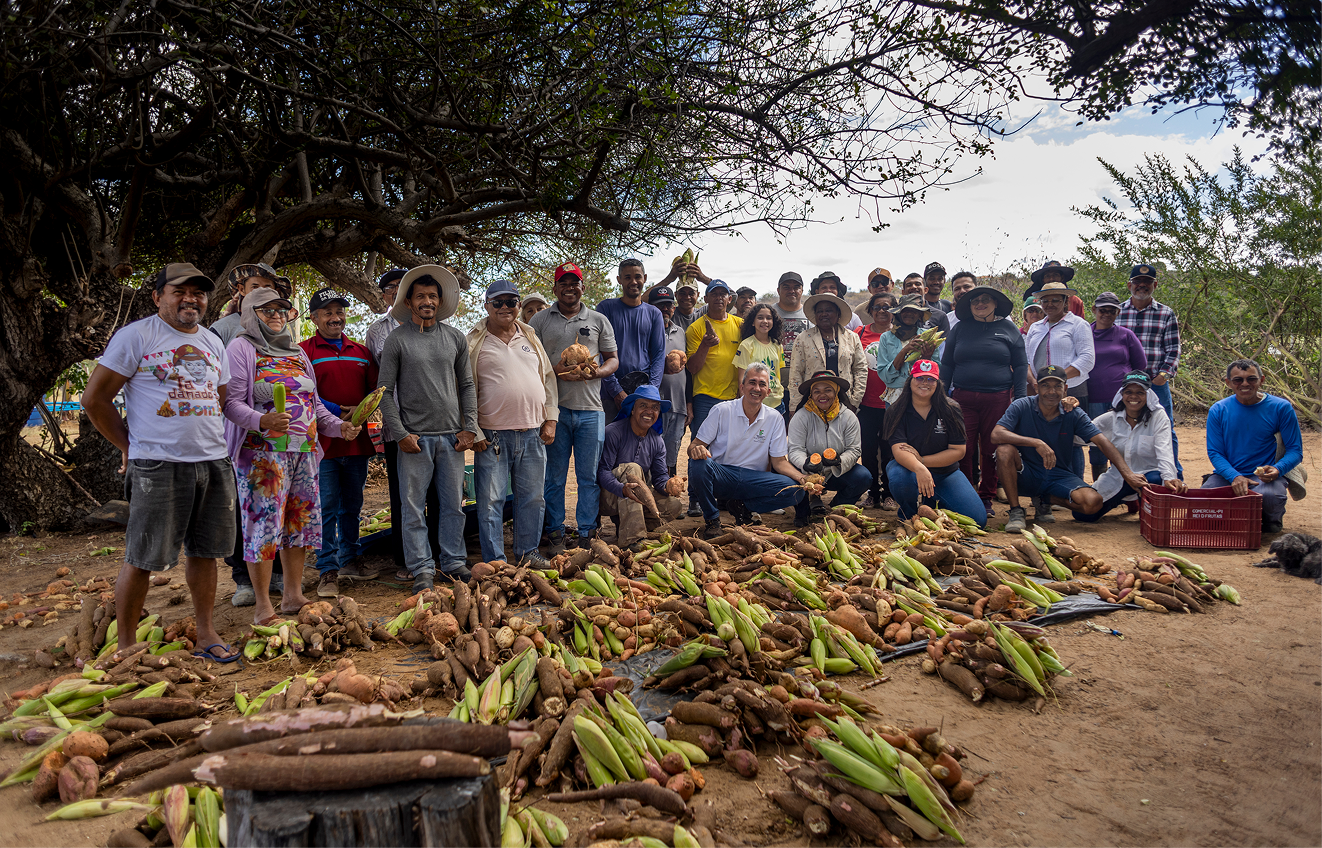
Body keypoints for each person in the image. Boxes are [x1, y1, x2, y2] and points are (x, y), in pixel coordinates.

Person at [82, 263, 239, 661]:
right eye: (179, 291)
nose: (191, 299)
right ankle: (127, 647)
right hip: (158, 465)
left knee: (205, 553)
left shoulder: (212, 341)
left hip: (213, 461)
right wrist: (129, 446)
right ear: (157, 297)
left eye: (198, 292)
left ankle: (205, 632)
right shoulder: (137, 336)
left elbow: (219, 398)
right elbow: (94, 399)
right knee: (142, 557)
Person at [223, 287, 361, 624]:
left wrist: (337, 427)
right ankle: (262, 605)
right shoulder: (241, 348)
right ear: (250, 315)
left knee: (296, 524)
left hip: (304, 454)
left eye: (281, 310)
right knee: (263, 528)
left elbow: (313, 407)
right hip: (262, 456)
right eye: (266, 310)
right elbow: (230, 403)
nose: (275, 316)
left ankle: (293, 595)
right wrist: (261, 420)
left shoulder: (297, 354)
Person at [377, 265, 477, 592]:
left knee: (452, 506)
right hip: (415, 441)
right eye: (421, 296)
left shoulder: (454, 338)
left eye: (433, 296)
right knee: (412, 509)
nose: (428, 301)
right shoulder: (397, 339)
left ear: (440, 300)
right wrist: (400, 433)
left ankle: (452, 562)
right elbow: (384, 392)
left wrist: (470, 427)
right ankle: (421, 567)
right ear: (408, 301)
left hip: (451, 439)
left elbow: (466, 385)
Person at [211, 263, 291, 603]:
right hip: (241, 435)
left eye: (271, 288)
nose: (266, 293)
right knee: (245, 508)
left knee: (277, 508)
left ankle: (276, 575)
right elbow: (221, 388)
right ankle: (243, 577)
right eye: (257, 286)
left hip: (281, 439)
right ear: (239, 291)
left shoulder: (282, 330)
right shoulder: (224, 329)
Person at [466, 280, 558, 567]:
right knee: (491, 501)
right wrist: (474, 429)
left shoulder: (530, 336)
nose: (505, 307)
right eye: (498, 302)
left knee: (532, 498)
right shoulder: (473, 342)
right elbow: (464, 387)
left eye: (511, 302)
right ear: (487, 305)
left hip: (532, 432)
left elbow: (548, 379)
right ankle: (495, 561)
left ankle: (527, 553)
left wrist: (551, 419)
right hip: (491, 436)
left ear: (519, 305)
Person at [992, 365, 1148, 532]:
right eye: (1045, 386)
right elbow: (996, 434)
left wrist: (1128, 474)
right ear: (1036, 387)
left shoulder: (1073, 413)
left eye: (1057, 386)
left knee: (1092, 503)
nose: (1051, 391)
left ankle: (1046, 499)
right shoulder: (1022, 405)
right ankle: (1016, 510)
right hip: (1026, 471)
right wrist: (1036, 442)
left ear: (1065, 389)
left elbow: (1102, 442)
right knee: (1004, 451)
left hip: (1058, 473)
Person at [530, 263, 620, 554]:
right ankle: (555, 532)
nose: (570, 288)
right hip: (554, 411)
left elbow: (613, 359)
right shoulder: (540, 321)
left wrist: (600, 373)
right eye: (563, 283)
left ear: (583, 288)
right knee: (553, 478)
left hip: (591, 410)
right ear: (555, 289)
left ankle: (586, 533)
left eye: (575, 283)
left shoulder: (598, 320)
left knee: (588, 477)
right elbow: (529, 360)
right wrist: (553, 370)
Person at [299, 287, 380, 597]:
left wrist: (361, 411)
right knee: (327, 507)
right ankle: (327, 570)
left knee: (352, 505)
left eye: (339, 311)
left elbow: (375, 392)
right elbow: (305, 395)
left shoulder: (361, 351)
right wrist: (339, 411)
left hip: (356, 442)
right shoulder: (303, 351)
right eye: (328, 312)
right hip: (323, 444)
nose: (335, 317)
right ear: (315, 318)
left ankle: (351, 559)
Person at [365, 268, 439, 576]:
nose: (396, 292)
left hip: (434, 425)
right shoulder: (377, 331)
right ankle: (406, 559)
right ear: (384, 295)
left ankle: (435, 554)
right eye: (390, 288)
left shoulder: (435, 325)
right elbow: (378, 382)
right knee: (403, 496)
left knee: (436, 495)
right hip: (398, 426)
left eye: (401, 286)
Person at [688, 363, 811, 537]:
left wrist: (802, 478)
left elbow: (779, 462)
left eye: (762, 384)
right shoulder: (722, 410)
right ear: (742, 387)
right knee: (698, 464)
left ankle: (742, 508)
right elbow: (694, 445)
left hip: (754, 480)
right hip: (723, 476)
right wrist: (697, 450)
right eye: (752, 382)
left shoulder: (775, 418)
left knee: (796, 490)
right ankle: (712, 520)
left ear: (768, 392)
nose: (756, 388)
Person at [941, 285, 1027, 515]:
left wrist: (1020, 398)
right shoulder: (960, 329)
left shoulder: (1008, 329)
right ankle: (966, 493)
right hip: (962, 398)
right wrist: (941, 394)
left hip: (997, 397)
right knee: (963, 448)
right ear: (969, 306)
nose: (980, 303)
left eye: (985, 299)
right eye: (975, 300)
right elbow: (947, 363)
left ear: (995, 303)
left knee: (991, 448)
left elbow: (1020, 365)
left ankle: (986, 496)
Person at [1203, 359, 1303, 534]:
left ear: (1262, 380)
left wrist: (1277, 469)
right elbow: (1215, 452)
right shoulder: (1218, 410)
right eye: (1238, 380)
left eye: (1251, 379)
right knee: (1205, 500)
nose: (1245, 384)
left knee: (1271, 497)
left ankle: (1271, 519)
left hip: (1265, 477)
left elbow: (1295, 450)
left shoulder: (1281, 408)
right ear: (1228, 383)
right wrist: (1234, 476)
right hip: (1227, 474)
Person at [884, 361, 986, 525]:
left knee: (978, 520)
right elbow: (899, 450)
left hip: (945, 472)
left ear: (938, 384)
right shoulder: (896, 410)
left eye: (930, 379)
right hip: (908, 469)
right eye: (919, 378)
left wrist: (923, 461)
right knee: (899, 477)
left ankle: (930, 504)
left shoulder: (951, 409)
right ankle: (909, 515)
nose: (925, 383)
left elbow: (958, 450)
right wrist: (919, 468)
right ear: (910, 380)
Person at [1077, 371, 1184, 522]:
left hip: (1148, 476)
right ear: (1122, 394)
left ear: (1148, 395)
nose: (1133, 397)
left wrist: (1169, 477)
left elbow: (1165, 449)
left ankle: (1143, 505)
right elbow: (1080, 436)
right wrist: (1068, 413)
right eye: (1128, 392)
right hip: (1118, 476)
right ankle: (1126, 498)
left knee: (1153, 481)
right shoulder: (1111, 418)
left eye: (1140, 392)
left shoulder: (1158, 417)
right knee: (1083, 515)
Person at [597, 385, 686, 549]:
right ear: (632, 409)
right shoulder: (613, 432)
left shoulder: (657, 441)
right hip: (607, 497)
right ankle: (633, 539)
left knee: (674, 506)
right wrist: (621, 488)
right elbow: (602, 472)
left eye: (654, 408)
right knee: (633, 470)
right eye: (643, 406)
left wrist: (669, 485)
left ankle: (627, 526)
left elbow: (659, 478)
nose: (649, 411)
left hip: (634, 500)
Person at [1024, 280, 1095, 482]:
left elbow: (1087, 359)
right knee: (1046, 438)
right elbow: (1028, 360)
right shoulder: (1036, 327)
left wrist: (1057, 382)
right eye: (1045, 300)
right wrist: (1036, 382)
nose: (1050, 304)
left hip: (1071, 389)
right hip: (1040, 391)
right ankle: (1049, 488)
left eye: (1056, 300)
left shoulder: (1078, 325)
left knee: (1071, 441)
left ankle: (1074, 486)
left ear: (1066, 301)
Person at [1117, 263, 1183, 476]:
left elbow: (1173, 349)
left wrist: (1163, 375)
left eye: (1147, 282)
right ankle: (1122, 475)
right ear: (1129, 284)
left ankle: (1173, 474)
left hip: (1155, 383)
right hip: (1124, 385)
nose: (1142, 286)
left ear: (1155, 285)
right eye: (1137, 282)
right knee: (1122, 428)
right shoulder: (1117, 312)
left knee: (1165, 427)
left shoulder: (1165, 313)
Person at [788, 371, 870, 526]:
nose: (822, 395)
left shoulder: (849, 417)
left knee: (863, 477)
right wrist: (805, 463)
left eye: (828, 390)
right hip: (807, 474)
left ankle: (837, 508)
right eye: (816, 391)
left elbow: (854, 449)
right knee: (788, 474)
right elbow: (794, 449)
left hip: (835, 473)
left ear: (836, 391)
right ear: (811, 395)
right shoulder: (801, 417)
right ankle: (802, 511)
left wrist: (839, 461)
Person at [1086, 291, 1147, 481]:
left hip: (1121, 400)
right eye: (1102, 310)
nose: (1106, 314)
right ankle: (1100, 487)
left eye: (1112, 311)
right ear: (1094, 309)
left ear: (1118, 313)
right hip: (1093, 398)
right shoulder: (1085, 333)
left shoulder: (1125, 335)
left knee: (1122, 441)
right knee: (1096, 441)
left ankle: (1124, 485)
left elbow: (1141, 365)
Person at [597, 258, 666, 422]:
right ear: (619, 280)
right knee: (609, 445)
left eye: (637, 277)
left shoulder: (654, 314)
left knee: (641, 446)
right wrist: (616, 391)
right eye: (627, 277)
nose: (633, 281)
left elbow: (658, 355)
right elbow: (599, 354)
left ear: (645, 278)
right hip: (609, 395)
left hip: (642, 394)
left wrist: (650, 391)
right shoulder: (605, 309)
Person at [787, 290, 868, 408]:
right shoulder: (803, 338)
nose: (824, 314)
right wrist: (795, 406)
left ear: (838, 314)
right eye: (820, 311)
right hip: (812, 402)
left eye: (829, 310)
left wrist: (854, 401)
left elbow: (860, 369)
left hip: (845, 402)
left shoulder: (852, 337)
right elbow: (796, 373)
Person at [855, 292, 899, 508]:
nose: (882, 310)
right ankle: (872, 493)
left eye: (887, 307)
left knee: (891, 449)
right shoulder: (859, 333)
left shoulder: (899, 335)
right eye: (878, 307)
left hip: (893, 403)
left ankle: (890, 493)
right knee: (868, 450)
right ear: (870, 310)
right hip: (866, 402)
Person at [686, 280, 744, 438]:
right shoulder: (695, 328)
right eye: (714, 294)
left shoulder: (741, 326)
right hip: (705, 398)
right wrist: (705, 345)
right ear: (705, 299)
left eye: (722, 294)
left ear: (729, 299)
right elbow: (692, 368)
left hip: (734, 398)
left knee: (730, 447)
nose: (718, 297)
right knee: (701, 446)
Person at [647, 287, 690, 475]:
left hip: (678, 404)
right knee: (650, 450)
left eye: (668, 305)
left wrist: (689, 403)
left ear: (674, 307)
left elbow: (687, 370)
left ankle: (666, 492)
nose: (665, 309)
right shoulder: (646, 329)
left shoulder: (680, 332)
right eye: (659, 306)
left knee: (671, 451)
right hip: (654, 403)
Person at [209, 262, 292, 347]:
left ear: (276, 292)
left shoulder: (281, 330)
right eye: (255, 287)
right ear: (241, 289)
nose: (261, 292)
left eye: (267, 288)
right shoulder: (222, 328)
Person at [734, 303, 786, 413]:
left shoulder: (777, 345)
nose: (765, 321)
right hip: (755, 402)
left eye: (769, 318)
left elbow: (777, 374)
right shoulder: (746, 345)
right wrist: (747, 405)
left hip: (777, 403)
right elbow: (741, 378)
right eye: (760, 318)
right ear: (753, 322)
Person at [772, 272, 811, 386]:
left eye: (796, 287)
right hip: (772, 385)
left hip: (803, 384)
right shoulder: (768, 313)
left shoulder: (811, 314)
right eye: (786, 287)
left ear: (802, 290)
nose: (791, 291)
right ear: (778, 290)